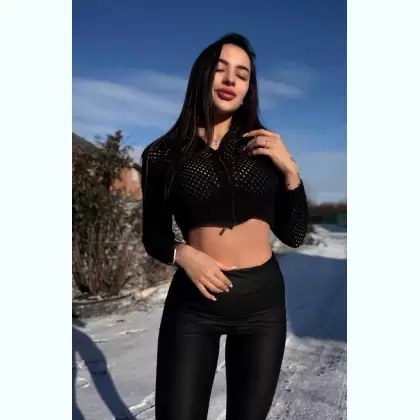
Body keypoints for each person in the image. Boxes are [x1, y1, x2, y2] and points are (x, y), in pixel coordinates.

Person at [141, 33, 308, 420]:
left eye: (242, 74)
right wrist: (184, 254)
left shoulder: (264, 148)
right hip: (194, 305)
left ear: (249, 89)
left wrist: (290, 171)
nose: (231, 79)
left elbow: (295, 233)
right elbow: (153, 234)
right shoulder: (162, 154)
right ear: (202, 75)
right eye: (220, 70)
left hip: (262, 307)